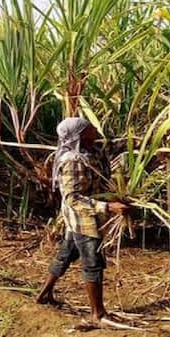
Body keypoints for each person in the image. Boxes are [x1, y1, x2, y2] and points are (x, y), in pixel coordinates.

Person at [36, 117, 129, 326]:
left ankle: (44, 293)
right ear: (80, 135)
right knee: (92, 263)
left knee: (67, 253)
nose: (95, 129)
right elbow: (72, 198)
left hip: (87, 216)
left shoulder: (92, 150)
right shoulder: (73, 161)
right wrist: (108, 206)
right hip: (83, 218)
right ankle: (98, 313)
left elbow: (120, 143)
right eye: (90, 128)